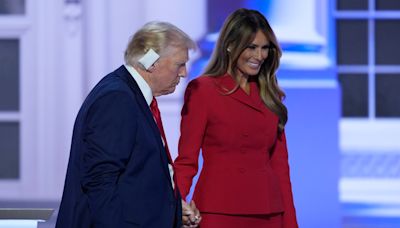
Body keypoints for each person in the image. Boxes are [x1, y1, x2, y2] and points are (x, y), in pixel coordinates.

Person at [56, 21, 200, 228]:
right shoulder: (117, 99)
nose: (184, 73)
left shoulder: (131, 96)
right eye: (179, 64)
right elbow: (100, 182)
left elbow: (136, 178)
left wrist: (172, 211)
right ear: (152, 62)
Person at [174, 8, 298, 228]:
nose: (259, 56)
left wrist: (290, 224)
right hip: (219, 210)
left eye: (264, 48)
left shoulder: (270, 95)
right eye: (251, 47)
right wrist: (172, 208)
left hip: (268, 212)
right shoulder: (203, 90)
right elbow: (187, 160)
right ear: (230, 45)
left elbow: (280, 167)